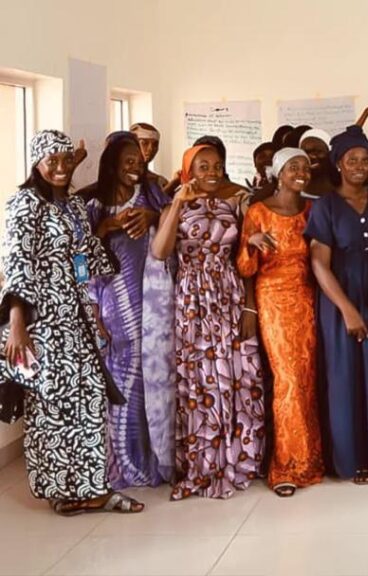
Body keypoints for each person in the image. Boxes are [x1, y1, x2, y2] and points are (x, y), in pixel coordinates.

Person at [0, 130, 144, 515]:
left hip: (76, 316)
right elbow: (16, 263)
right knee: (51, 405)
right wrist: (17, 324)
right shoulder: (24, 204)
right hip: (42, 321)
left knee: (90, 397)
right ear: (37, 162)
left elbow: (83, 257)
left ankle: (92, 488)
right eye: (53, 161)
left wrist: (95, 303)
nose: (61, 167)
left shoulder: (72, 205)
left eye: (67, 159)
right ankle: (62, 492)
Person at [151, 144, 265, 500]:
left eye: (217, 165)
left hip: (230, 293)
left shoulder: (235, 204)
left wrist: (250, 308)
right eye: (203, 166)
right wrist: (178, 204)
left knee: (237, 375)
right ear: (189, 171)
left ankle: (238, 459)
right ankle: (204, 464)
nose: (212, 172)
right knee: (202, 380)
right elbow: (160, 251)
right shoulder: (173, 206)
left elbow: (244, 259)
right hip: (193, 302)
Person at [305, 125, 368, 484]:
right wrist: (346, 310)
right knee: (344, 380)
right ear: (338, 164)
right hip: (339, 304)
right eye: (352, 160)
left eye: (364, 159)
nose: (359, 166)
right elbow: (319, 264)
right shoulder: (325, 207)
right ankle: (352, 462)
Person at [237, 148, 324, 497]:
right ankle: (285, 466)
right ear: (278, 173)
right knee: (287, 379)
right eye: (293, 167)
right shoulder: (258, 211)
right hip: (273, 300)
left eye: (305, 167)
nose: (301, 172)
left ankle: (311, 459)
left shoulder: (312, 210)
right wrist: (251, 242)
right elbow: (245, 268)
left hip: (308, 299)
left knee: (306, 379)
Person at [85, 133, 166, 489]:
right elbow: (82, 260)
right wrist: (106, 227)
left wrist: (153, 217)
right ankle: (121, 464)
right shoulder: (93, 206)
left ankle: (151, 461)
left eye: (140, 162)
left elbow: (177, 224)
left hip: (152, 301)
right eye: (128, 161)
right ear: (112, 164)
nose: (136, 167)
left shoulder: (152, 195)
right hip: (113, 304)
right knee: (121, 380)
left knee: (151, 379)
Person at [299, 128, 336, 199]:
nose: (312, 156)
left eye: (319, 151)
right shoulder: (293, 193)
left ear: (330, 154)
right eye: (306, 152)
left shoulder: (342, 193)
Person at [130, 122, 169, 189]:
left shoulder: (159, 181)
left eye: (155, 145)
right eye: (144, 143)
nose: (150, 149)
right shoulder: (121, 178)